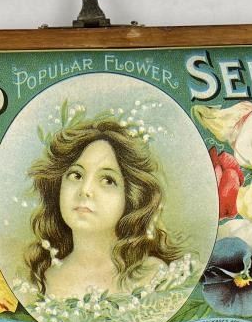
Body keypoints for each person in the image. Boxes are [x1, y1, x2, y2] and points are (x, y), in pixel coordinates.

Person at [25, 116, 183, 300]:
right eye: (76, 175)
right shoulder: (45, 279)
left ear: (130, 196)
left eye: (107, 180)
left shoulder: (153, 275)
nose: (85, 190)